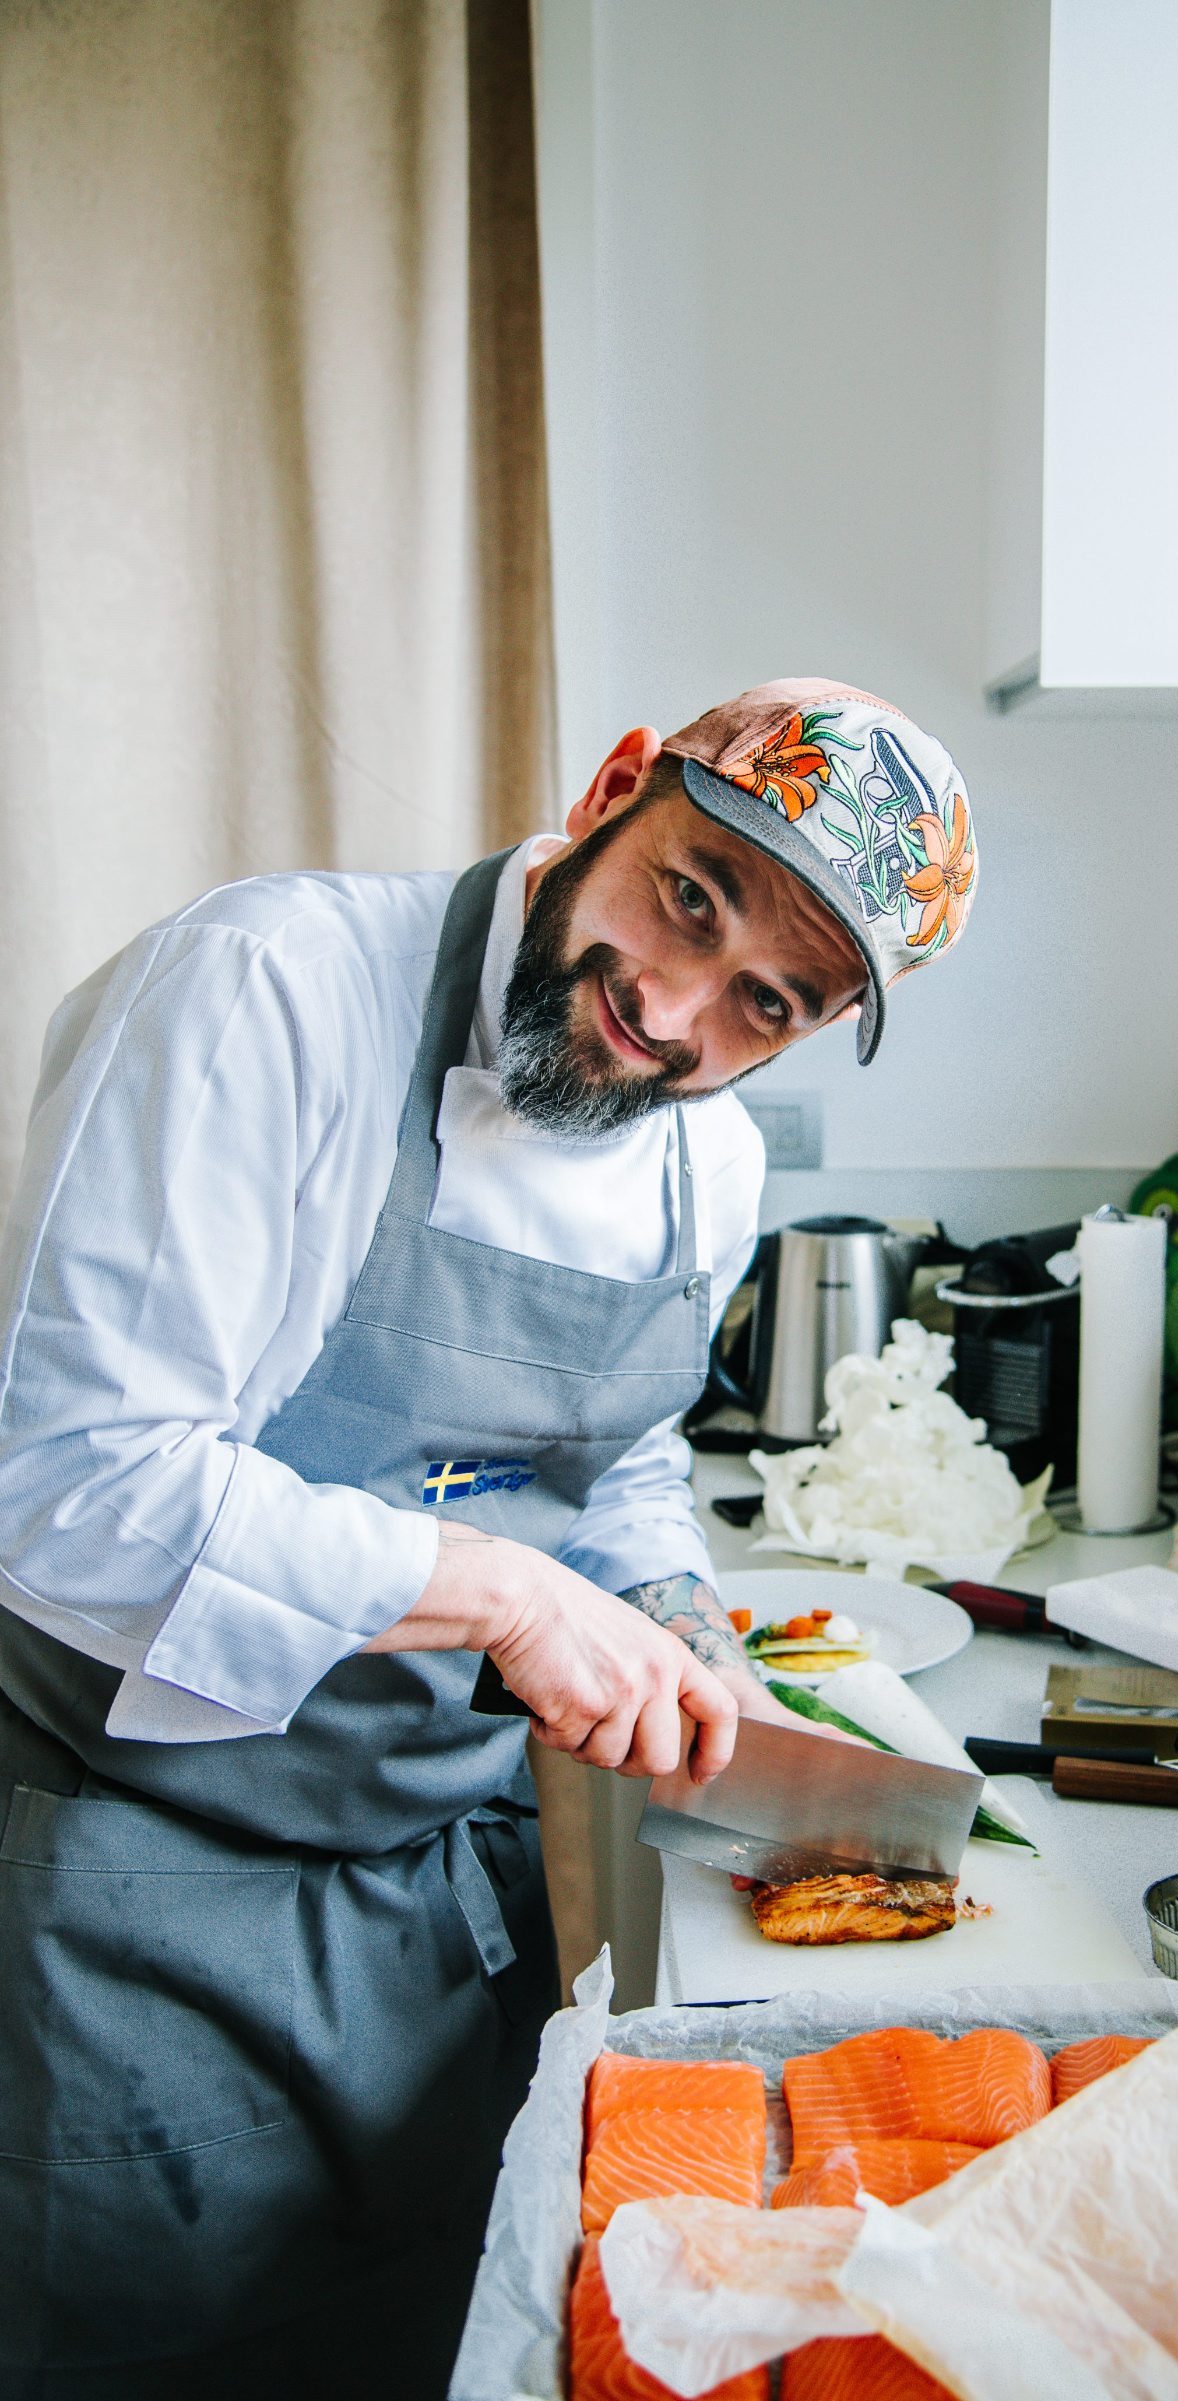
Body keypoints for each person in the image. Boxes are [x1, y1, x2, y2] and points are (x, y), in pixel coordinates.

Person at [0, 677, 977, 2400]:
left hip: (438, 1932)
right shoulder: (267, 992)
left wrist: (680, 1623)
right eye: (688, 894)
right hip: (133, 1921)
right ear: (612, 789)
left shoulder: (708, 1163)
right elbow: (68, 1477)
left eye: (766, 1000)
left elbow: (622, 1452)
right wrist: (503, 1600)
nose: (673, 1015)